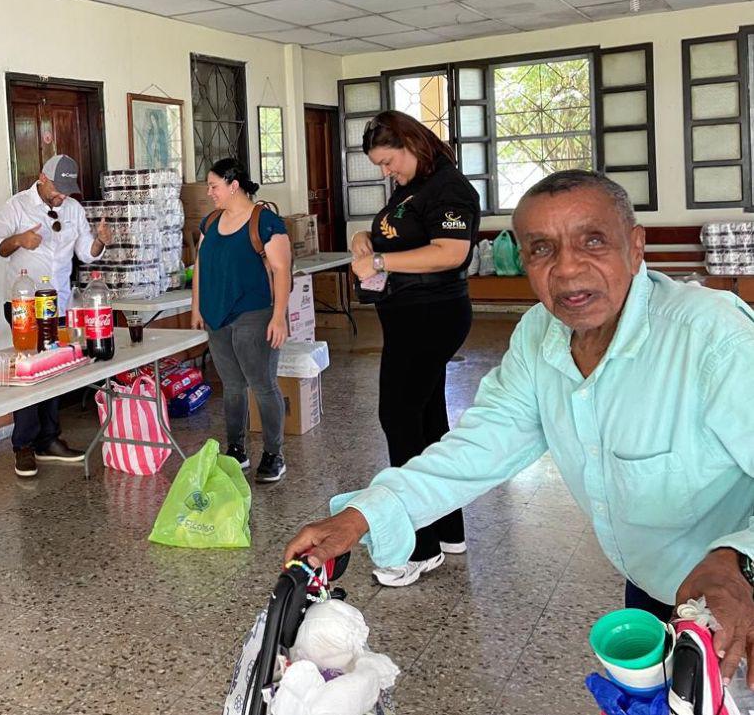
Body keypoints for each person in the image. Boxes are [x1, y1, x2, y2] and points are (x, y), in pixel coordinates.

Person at [286, 171, 754, 688]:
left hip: (737, 591)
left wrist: (739, 560)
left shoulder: (713, 339)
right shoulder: (541, 336)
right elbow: (481, 445)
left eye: (592, 241)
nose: (568, 270)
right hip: (653, 579)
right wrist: (363, 515)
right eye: (542, 250)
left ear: (636, 245)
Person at [347, 110, 481, 587]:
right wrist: (366, 238)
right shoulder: (413, 185)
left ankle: (418, 547)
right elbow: (398, 232)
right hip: (408, 316)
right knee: (427, 421)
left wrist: (379, 258)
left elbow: (450, 251)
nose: (387, 172)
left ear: (410, 143)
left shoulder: (448, 186)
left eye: (388, 162)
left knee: (399, 419)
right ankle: (448, 531)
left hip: (431, 315)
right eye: (380, 166)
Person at [0, 154, 111, 478]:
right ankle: (23, 446)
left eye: (68, 190)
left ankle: (50, 439)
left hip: (59, 303)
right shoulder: (15, 207)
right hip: (24, 304)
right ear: (42, 177)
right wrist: (19, 241)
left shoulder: (73, 209)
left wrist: (99, 241)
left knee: (55, 369)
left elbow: (85, 252)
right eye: (59, 188)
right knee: (28, 371)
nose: (63, 196)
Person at [191, 158, 292, 484]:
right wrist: (197, 307)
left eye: (214, 186)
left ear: (234, 185)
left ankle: (274, 454)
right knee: (232, 387)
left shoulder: (265, 222)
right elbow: (200, 267)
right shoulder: (211, 222)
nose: (209, 193)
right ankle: (236, 449)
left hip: (255, 313)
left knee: (262, 385)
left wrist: (279, 317)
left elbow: (282, 270)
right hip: (217, 316)